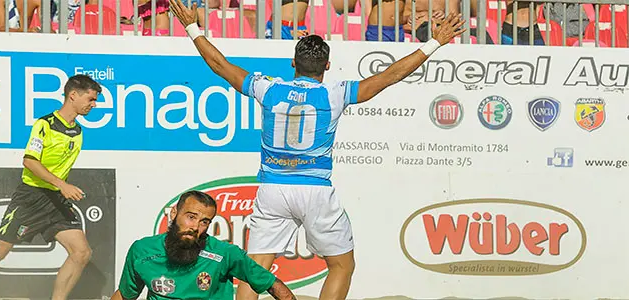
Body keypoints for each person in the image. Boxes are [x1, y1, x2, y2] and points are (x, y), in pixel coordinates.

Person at [168, 0, 465, 298]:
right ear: (327, 66)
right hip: (315, 190)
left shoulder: (268, 88)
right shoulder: (335, 93)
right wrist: (435, 43)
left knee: (254, 269)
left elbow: (221, 65)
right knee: (341, 267)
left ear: (293, 64)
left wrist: (192, 26)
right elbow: (389, 76)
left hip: (273, 188)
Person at [0, 74, 101, 300]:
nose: (94, 104)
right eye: (90, 99)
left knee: (81, 253)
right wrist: (62, 184)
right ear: (72, 96)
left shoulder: (78, 132)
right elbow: (29, 161)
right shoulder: (45, 124)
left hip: (55, 201)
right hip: (31, 198)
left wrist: (60, 188)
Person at [110, 190, 296, 300]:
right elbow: (126, 295)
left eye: (204, 222)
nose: (195, 227)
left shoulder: (225, 253)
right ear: (174, 213)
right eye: (191, 217)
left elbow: (273, 285)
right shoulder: (142, 251)